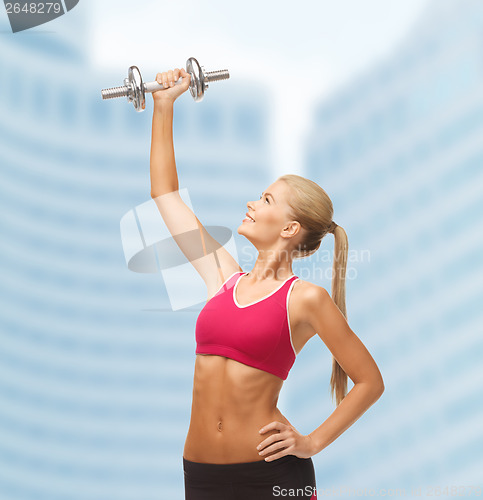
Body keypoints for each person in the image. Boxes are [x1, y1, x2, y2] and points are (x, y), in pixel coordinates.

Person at [149, 67, 385, 500]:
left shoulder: (305, 299)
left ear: (291, 228)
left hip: (271, 477)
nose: (252, 203)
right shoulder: (221, 275)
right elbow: (166, 195)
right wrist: (164, 107)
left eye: (267, 199)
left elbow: (370, 380)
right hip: (201, 475)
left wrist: (311, 442)